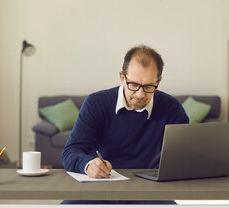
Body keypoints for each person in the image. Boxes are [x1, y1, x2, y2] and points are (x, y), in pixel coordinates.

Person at [62, 45, 189, 179]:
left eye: (148, 86)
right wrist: (88, 165)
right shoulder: (96, 103)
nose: (140, 94)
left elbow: (185, 156)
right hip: (101, 183)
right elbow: (70, 152)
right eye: (133, 85)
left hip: (149, 188)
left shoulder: (172, 108)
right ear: (122, 78)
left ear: (158, 82)